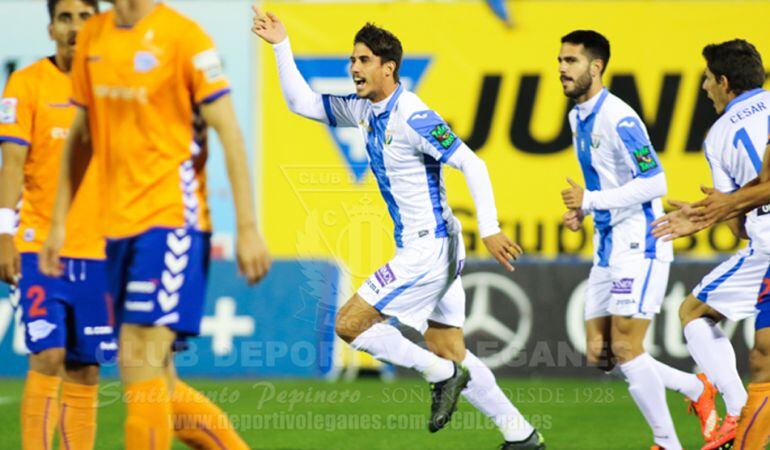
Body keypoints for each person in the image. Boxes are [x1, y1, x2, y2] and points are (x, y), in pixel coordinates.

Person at [252, 8, 544, 450]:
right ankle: (520, 434)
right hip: (436, 246)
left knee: (351, 324)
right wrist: (281, 45)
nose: (353, 68)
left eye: (363, 60)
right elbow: (301, 103)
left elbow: (472, 161)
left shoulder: (413, 115)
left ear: (388, 68)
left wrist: (490, 228)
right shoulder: (365, 110)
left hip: (428, 250)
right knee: (450, 348)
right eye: (352, 59)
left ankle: (440, 375)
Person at [39, 1, 272, 448]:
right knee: (157, 381)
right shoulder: (94, 36)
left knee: (139, 357)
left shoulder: (184, 38)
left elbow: (228, 131)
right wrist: (58, 224)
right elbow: (82, 137)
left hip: (172, 223)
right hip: (117, 231)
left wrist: (246, 226)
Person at [558, 30, 718, 450]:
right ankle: (697, 390)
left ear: (596, 67)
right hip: (608, 246)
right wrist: (583, 211)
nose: (561, 69)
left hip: (640, 244)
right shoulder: (577, 116)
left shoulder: (620, 118)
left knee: (627, 347)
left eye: (571, 61)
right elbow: (606, 181)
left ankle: (666, 443)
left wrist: (591, 200)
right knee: (602, 354)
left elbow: (655, 182)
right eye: (560, 60)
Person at [0, 1, 115, 449]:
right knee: (47, 354)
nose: (75, 27)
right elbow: (11, 166)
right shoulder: (25, 83)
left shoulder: (114, 90)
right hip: (37, 247)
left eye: (85, 17)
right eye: (65, 17)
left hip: (99, 252)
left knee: (86, 366)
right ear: (51, 27)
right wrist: (4, 231)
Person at [652, 39, 770, 450]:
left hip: (767, 246)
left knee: (693, 312)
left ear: (723, 81)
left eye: (706, 79)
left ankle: (736, 411)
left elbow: (736, 223)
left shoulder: (720, 134)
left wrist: (715, 212)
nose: (704, 88)